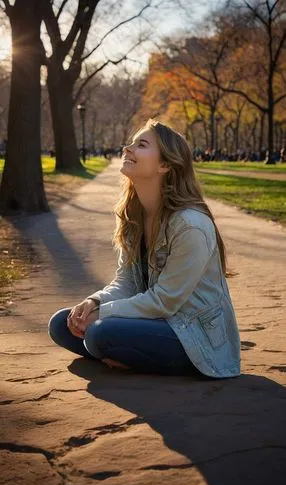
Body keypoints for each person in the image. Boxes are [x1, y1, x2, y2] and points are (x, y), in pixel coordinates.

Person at [48, 120, 240, 378]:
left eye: (141, 144)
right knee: (63, 324)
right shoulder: (132, 215)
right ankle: (127, 351)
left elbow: (165, 301)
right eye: (131, 142)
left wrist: (101, 314)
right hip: (155, 321)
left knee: (97, 332)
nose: (128, 148)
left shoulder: (191, 225)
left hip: (194, 336)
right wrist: (93, 301)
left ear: (165, 165)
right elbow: (125, 281)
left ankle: (129, 351)